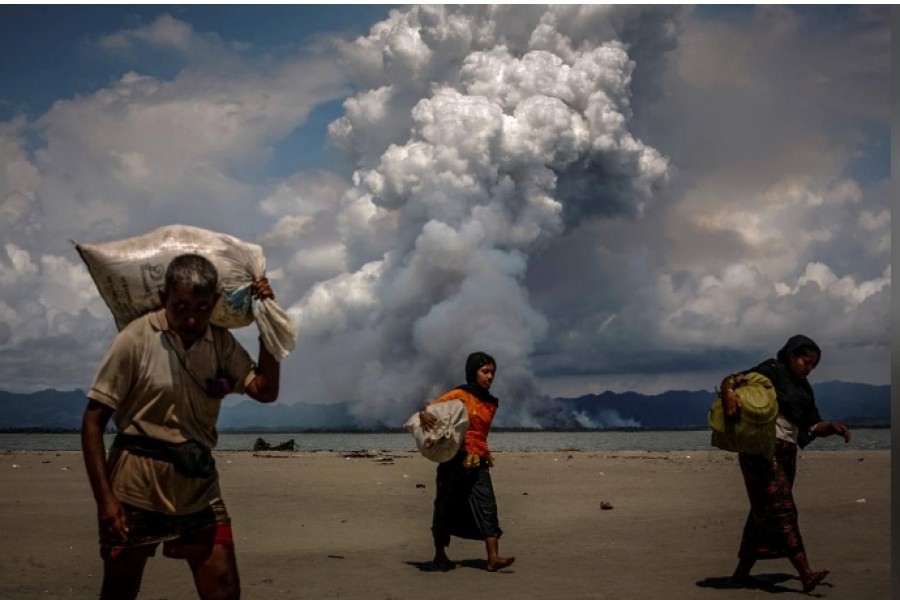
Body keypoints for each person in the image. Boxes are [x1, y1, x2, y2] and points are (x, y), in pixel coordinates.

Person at [81, 253, 280, 600]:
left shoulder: (219, 342)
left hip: (199, 486)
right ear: (163, 299)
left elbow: (264, 390)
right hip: (136, 486)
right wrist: (105, 501)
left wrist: (267, 321)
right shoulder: (136, 339)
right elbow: (92, 421)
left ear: (215, 303)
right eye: (181, 306)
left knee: (223, 589)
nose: (191, 318)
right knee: (119, 590)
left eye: (202, 308)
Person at [720, 334, 851, 593]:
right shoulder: (771, 371)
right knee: (783, 510)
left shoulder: (804, 389)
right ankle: (806, 574)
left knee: (763, 512)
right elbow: (734, 379)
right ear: (791, 355)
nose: (808, 367)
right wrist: (728, 392)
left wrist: (832, 428)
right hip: (761, 451)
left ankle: (741, 574)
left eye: (813, 364)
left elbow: (812, 424)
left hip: (787, 452)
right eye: (805, 360)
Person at [419, 351, 515, 572]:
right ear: (474, 372)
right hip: (454, 459)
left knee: (487, 505)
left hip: (480, 458)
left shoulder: (491, 402)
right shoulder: (460, 394)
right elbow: (430, 408)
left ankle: (493, 558)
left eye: (492, 372)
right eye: (485, 371)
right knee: (444, 505)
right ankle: (440, 555)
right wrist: (424, 413)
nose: (490, 376)